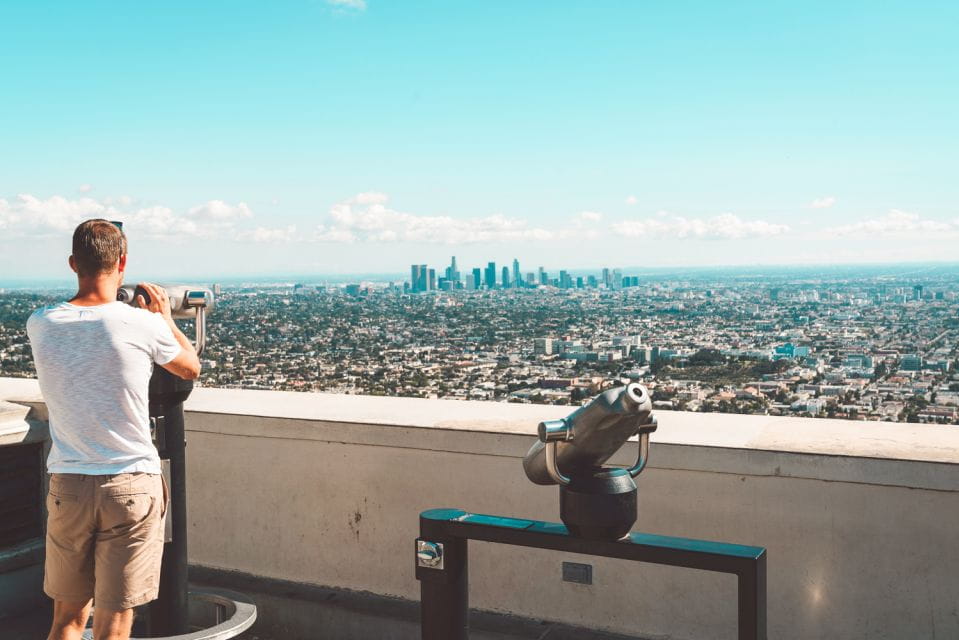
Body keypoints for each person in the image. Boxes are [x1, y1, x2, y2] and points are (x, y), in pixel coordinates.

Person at [26, 219, 201, 640]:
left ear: (73, 263)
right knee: (114, 625)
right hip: (130, 484)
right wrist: (164, 318)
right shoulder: (141, 324)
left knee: (67, 620)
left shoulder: (40, 322)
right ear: (122, 263)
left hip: (68, 484)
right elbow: (190, 367)